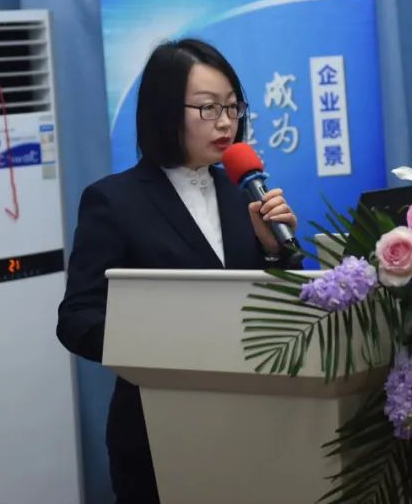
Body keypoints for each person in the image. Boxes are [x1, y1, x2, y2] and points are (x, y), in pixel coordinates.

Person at [57, 38, 298, 504]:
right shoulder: (114, 200)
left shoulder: (244, 193)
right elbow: (77, 317)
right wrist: (162, 346)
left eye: (232, 106)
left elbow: (286, 314)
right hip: (157, 426)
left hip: (254, 419)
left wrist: (274, 253)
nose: (225, 122)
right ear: (165, 111)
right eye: (208, 108)